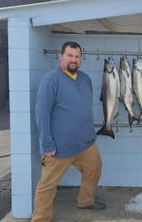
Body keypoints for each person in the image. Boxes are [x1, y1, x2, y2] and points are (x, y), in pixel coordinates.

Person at [32, 41, 105, 222]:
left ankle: (86, 201)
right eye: (70, 55)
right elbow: (41, 113)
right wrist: (47, 143)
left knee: (94, 169)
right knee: (47, 185)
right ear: (61, 56)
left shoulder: (85, 79)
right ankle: (41, 218)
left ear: (81, 59)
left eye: (77, 56)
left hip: (85, 143)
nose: (74, 59)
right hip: (58, 147)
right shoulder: (51, 80)